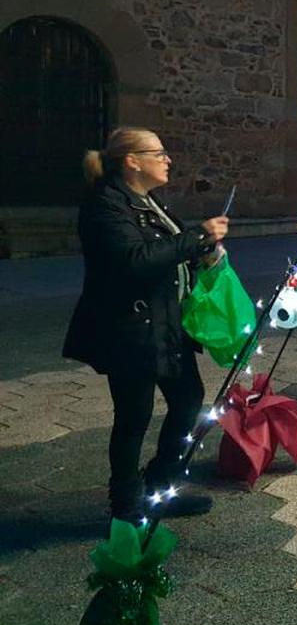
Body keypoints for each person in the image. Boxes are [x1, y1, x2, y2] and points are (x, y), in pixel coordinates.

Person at [63, 127, 229, 523]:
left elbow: (167, 254)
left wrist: (203, 251)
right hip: (129, 328)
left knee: (188, 399)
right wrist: (197, 236)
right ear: (132, 161)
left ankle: (160, 485)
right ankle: (125, 504)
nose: (167, 159)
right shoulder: (105, 205)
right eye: (159, 152)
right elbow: (134, 260)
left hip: (166, 323)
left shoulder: (149, 201)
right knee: (133, 416)